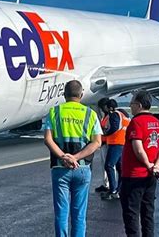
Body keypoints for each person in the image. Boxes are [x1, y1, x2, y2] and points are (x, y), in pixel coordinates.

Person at [44, 80, 102, 237]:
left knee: (61, 213)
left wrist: (64, 157)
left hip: (59, 167)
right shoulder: (90, 114)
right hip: (82, 168)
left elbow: (48, 140)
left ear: (64, 95)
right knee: (79, 215)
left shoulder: (54, 112)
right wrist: (75, 158)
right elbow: (97, 142)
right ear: (81, 94)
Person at [120, 90, 159, 237]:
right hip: (151, 176)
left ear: (139, 105)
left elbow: (138, 148)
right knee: (148, 214)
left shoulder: (135, 122)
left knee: (131, 215)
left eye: (132, 103)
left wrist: (147, 164)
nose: (130, 105)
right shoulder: (158, 123)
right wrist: (156, 165)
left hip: (134, 176)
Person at [101, 99, 130, 200]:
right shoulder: (124, 114)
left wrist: (105, 133)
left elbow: (114, 127)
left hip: (115, 143)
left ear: (110, 108)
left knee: (109, 165)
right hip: (122, 142)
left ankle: (113, 190)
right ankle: (119, 189)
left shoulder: (114, 115)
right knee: (119, 167)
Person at [94, 97, 110, 193]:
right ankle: (106, 184)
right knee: (104, 165)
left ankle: (110, 185)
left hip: (109, 143)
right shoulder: (105, 117)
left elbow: (109, 130)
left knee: (109, 165)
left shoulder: (110, 116)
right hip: (104, 143)